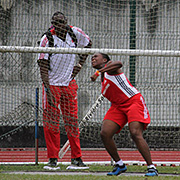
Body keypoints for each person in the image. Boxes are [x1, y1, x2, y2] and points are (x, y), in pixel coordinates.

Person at [38, 11, 92, 168]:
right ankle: (53, 159)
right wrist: (48, 90)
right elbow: (42, 65)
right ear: (52, 24)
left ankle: (76, 159)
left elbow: (88, 44)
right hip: (52, 85)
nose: (59, 25)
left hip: (69, 84)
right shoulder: (47, 39)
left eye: (62, 22)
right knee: (51, 123)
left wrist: (80, 65)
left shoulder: (75, 33)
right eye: (56, 23)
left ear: (66, 22)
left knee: (72, 122)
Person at [90, 52, 158, 177]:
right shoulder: (103, 77)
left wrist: (99, 71)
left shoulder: (110, 67)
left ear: (104, 59)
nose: (93, 58)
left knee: (135, 133)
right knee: (105, 133)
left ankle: (151, 167)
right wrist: (100, 73)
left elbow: (119, 63)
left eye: (96, 56)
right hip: (118, 106)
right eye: (92, 57)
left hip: (133, 101)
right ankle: (120, 164)